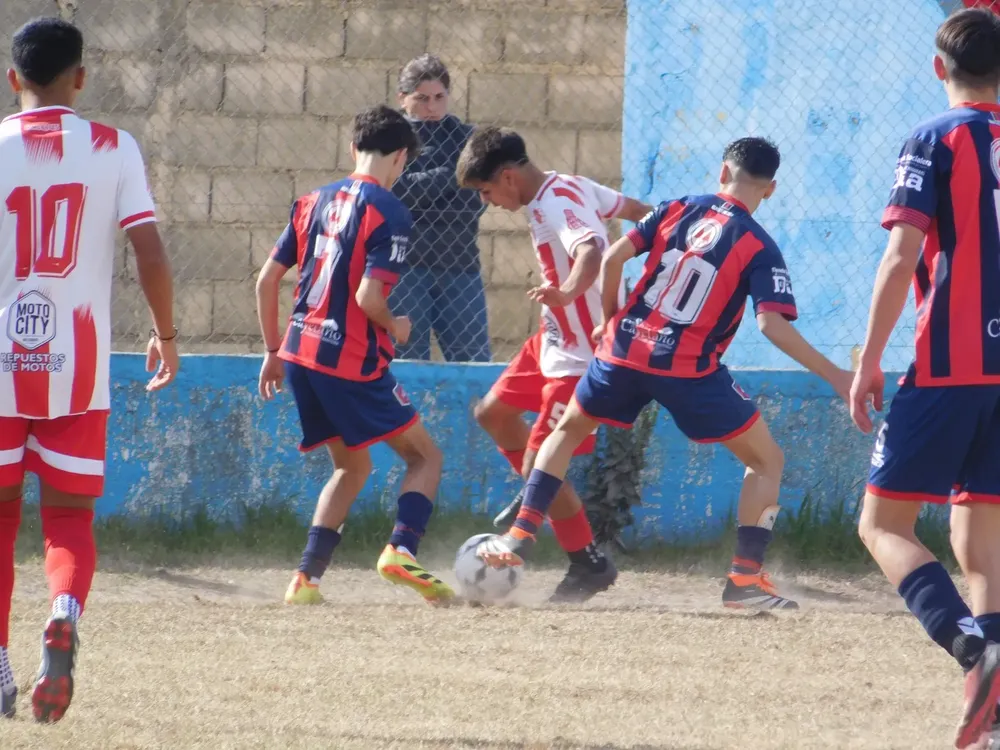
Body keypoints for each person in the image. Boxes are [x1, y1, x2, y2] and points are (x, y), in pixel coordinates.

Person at [477, 137, 854, 611]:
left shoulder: (678, 207)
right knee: (766, 461)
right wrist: (836, 374)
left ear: (722, 173)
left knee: (566, 432)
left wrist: (608, 320)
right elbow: (770, 324)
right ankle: (744, 579)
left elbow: (613, 258)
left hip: (624, 349)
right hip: (689, 369)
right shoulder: (760, 245)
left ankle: (519, 534)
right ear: (771, 189)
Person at [0, 18, 178, 722]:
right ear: (80, 77)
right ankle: (65, 611)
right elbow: (151, 252)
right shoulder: (115, 147)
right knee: (69, 517)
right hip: (77, 367)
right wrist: (165, 334)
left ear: (14, 78)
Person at [848, 8, 1000, 748]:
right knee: (981, 537)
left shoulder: (936, 137)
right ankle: (994, 694)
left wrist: (869, 357)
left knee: (882, 524)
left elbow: (902, 253)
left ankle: (973, 649)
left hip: (949, 366)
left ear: (940, 70)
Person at [256, 104, 454, 608]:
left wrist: (272, 350)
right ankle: (401, 550)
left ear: (353, 149)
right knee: (425, 456)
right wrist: (397, 324)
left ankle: (305, 580)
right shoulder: (389, 211)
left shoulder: (310, 201)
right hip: (350, 361)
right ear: (402, 158)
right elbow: (369, 299)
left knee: (351, 467)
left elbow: (266, 280)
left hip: (300, 354)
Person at [456, 126, 652, 601]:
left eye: (486, 192)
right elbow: (637, 212)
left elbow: (591, 249)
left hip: (580, 358)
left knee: (541, 463)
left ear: (507, 177)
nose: (489, 202)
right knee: (493, 414)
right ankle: (537, 491)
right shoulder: (570, 183)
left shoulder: (555, 203)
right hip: (552, 340)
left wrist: (569, 292)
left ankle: (584, 563)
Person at [390, 54, 491, 363]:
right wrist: (454, 175)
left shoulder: (468, 138)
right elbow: (394, 193)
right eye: (422, 99)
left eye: (439, 97)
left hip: (459, 264)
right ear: (403, 98)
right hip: (404, 266)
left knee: (473, 361)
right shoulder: (391, 137)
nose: (431, 107)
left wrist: (417, 191)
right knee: (406, 362)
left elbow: (475, 201)